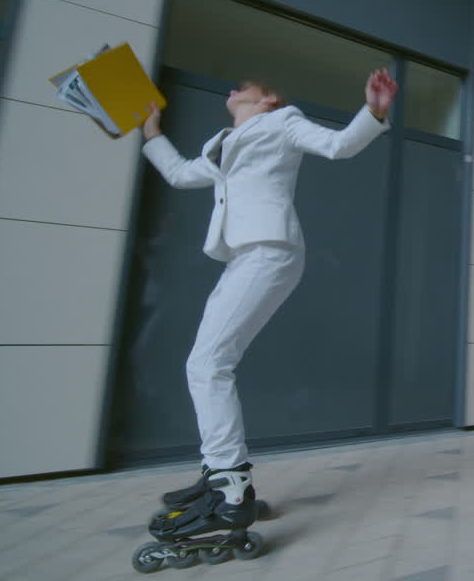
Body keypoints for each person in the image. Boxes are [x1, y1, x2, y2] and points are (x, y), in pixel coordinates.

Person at [137, 70, 395, 538]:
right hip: (244, 256)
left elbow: (339, 146)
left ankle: (229, 485)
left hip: (269, 250)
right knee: (207, 362)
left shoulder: (283, 121)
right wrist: (152, 132)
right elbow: (178, 175)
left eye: (242, 85)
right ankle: (221, 473)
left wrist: (374, 110)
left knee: (208, 363)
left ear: (269, 97)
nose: (231, 89)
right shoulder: (222, 143)